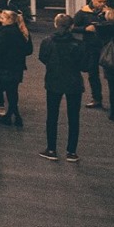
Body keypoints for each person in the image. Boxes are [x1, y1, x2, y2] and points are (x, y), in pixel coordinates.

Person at [37, 12, 86, 161]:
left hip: (54, 80)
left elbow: (42, 57)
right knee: (73, 116)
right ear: (72, 26)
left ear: (55, 24)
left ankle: (51, 149)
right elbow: (84, 64)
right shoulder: (78, 44)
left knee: (52, 115)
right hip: (74, 82)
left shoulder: (47, 41)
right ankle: (71, 151)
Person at [0, 9, 31, 127]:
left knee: (0, 88)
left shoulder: (3, 32)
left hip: (3, 66)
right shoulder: (21, 31)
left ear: (8, 20)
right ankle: (14, 114)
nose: (0, 20)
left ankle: (11, 114)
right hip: (17, 66)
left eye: (2, 18)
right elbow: (28, 50)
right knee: (12, 91)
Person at [72, 0, 109, 109]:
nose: (102, 4)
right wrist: (85, 29)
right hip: (91, 46)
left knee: (111, 74)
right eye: (99, 1)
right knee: (93, 73)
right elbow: (72, 27)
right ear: (93, 0)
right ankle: (96, 98)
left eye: (104, 1)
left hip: (106, 46)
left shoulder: (108, 11)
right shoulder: (83, 12)